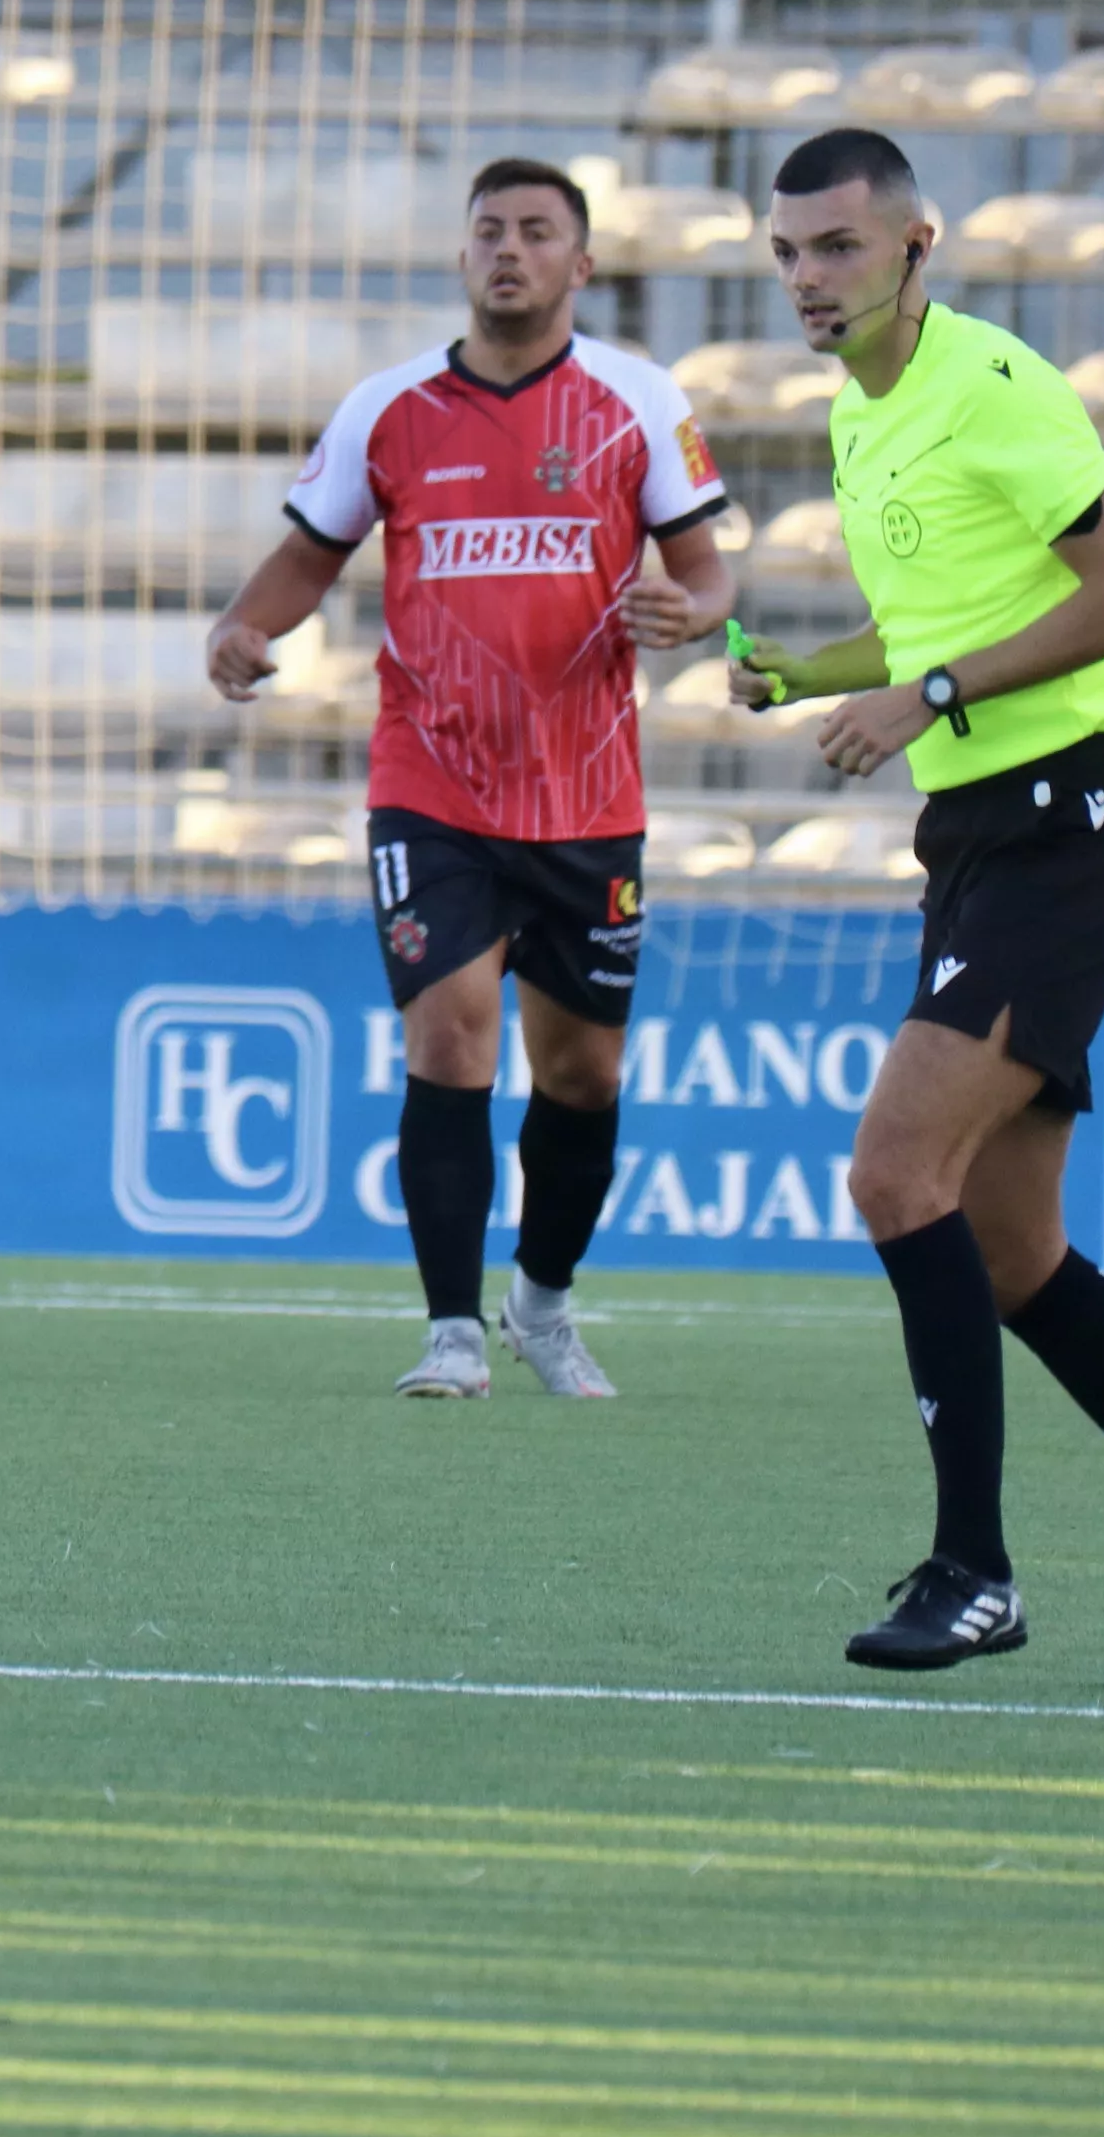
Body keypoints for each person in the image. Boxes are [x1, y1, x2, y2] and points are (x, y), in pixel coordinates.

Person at [731, 124, 1104, 1687]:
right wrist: (798, 666)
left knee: (892, 1171)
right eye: (788, 254)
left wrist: (926, 692)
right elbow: (923, 619)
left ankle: (973, 1572)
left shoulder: (991, 386)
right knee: (1007, 1251)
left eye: (839, 248)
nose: (809, 279)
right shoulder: (866, 415)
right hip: (987, 836)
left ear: (920, 243)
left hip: (1079, 822)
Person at [209, 158, 736, 1399]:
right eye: (489, 230)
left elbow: (709, 576)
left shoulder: (639, 401)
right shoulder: (390, 408)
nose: (510, 249)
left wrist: (688, 610)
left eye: (537, 232)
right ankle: (451, 1329)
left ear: (581, 263)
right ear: (462, 256)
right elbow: (308, 552)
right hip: (430, 783)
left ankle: (540, 1307)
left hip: (588, 795)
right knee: (451, 1040)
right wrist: (244, 629)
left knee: (584, 1073)